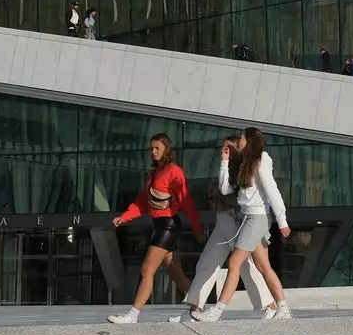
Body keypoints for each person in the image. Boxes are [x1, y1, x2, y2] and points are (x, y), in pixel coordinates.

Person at [173, 134, 281, 322]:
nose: (225, 151)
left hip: (236, 220)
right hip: (222, 220)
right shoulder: (227, 165)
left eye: (229, 147)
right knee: (206, 263)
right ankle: (193, 309)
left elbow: (238, 195)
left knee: (245, 266)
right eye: (223, 148)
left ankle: (269, 306)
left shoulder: (243, 168)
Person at [195, 127, 294, 321]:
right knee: (263, 266)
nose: (238, 141)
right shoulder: (244, 163)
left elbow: (272, 191)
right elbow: (225, 189)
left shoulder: (260, 161)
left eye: (241, 138)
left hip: (257, 218)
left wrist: (282, 220)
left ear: (249, 141)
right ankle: (283, 308)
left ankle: (217, 311)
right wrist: (224, 162)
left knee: (234, 263)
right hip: (248, 217)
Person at [108, 133, 204, 323]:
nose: (153, 152)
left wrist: (198, 230)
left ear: (166, 148)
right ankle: (198, 309)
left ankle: (133, 315)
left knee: (147, 269)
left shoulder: (174, 171)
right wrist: (124, 217)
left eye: (157, 148)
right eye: (151, 148)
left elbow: (187, 202)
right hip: (159, 225)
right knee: (176, 273)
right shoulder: (154, 173)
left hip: (168, 226)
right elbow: (143, 202)